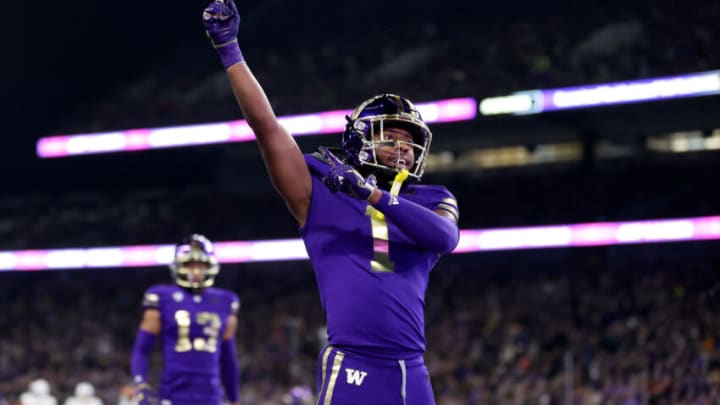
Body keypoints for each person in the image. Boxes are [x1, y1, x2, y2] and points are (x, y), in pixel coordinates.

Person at [203, 1, 460, 404]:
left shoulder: (432, 198)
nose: (402, 149)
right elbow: (265, 127)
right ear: (360, 139)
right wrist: (230, 50)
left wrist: (369, 193)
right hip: (354, 363)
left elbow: (446, 238)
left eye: (409, 142)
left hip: (412, 368)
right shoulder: (320, 192)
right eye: (390, 138)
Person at [130, 234, 241, 405]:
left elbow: (228, 358)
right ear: (178, 266)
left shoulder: (226, 301)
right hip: (173, 394)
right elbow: (142, 350)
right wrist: (140, 384)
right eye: (190, 264)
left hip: (211, 396)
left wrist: (234, 398)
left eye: (201, 265)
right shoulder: (161, 297)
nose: (196, 271)